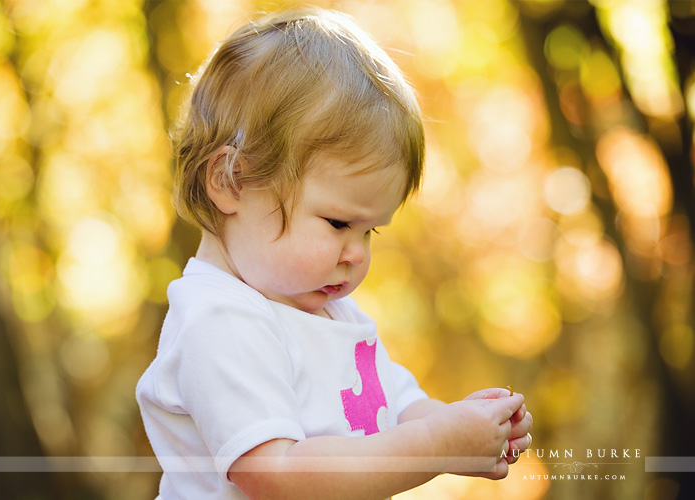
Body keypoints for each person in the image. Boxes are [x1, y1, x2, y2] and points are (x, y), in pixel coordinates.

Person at [136, 7, 532, 499]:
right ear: (231, 181)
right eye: (339, 223)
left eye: (370, 232)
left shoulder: (327, 312)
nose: (356, 255)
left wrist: (466, 425)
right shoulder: (219, 321)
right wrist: (437, 445)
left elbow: (397, 407)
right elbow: (274, 473)